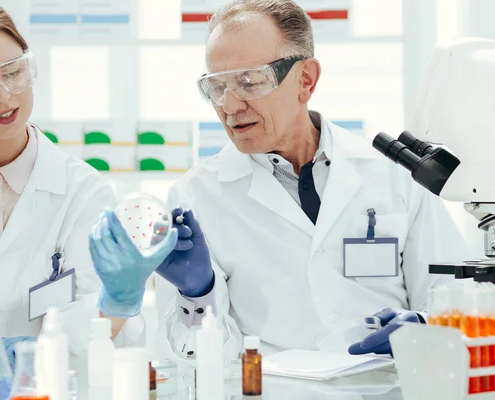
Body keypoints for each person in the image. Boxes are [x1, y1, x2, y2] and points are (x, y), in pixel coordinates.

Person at [90, 0, 468, 360]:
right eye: (217, 87)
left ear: (305, 79)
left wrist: (422, 326)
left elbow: (459, 298)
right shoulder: (195, 196)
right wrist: (196, 295)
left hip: (389, 388)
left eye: (250, 81)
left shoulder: (393, 174)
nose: (230, 106)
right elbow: (194, 359)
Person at [0, 0, 151, 368]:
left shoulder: (83, 191)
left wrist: (116, 303)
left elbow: (92, 333)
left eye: (13, 73)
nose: (3, 96)